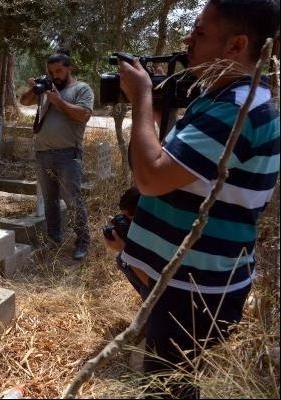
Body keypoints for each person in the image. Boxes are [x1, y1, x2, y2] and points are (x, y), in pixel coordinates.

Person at [117, 0, 279, 395]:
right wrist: (154, 109)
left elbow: (153, 177)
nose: (187, 39)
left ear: (237, 46)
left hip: (194, 290)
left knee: (167, 389)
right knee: (174, 383)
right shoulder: (222, 97)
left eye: (200, 32)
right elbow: (179, 165)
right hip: (187, 283)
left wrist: (140, 97)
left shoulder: (236, 107)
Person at [19, 49, 94, 261]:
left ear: (70, 68)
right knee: (50, 200)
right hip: (43, 154)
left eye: (59, 70)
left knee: (72, 200)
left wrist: (57, 100)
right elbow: (24, 101)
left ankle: (82, 242)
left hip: (68, 155)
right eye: (51, 72)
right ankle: (54, 239)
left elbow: (83, 116)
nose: (55, 75)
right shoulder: (45, 89)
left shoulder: (82, 89)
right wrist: (35, 89)